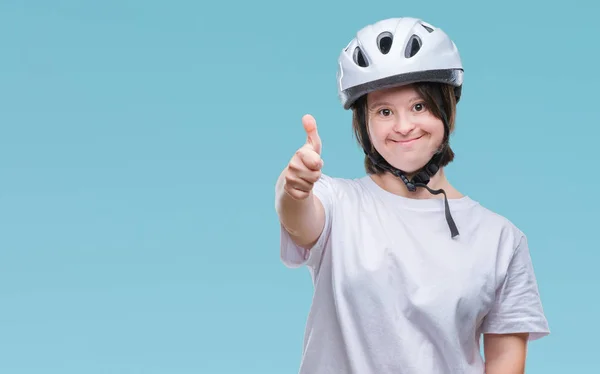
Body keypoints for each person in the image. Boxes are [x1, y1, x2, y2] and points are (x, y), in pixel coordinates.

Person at [274, 17, 550, 374]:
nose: (404, 126)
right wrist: (293, 186)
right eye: (385, 111)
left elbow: (505, 365)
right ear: (364, 123)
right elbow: (298, 215)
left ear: (447, 108)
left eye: (419, 106)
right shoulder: (336, 202)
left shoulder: (502, 241)